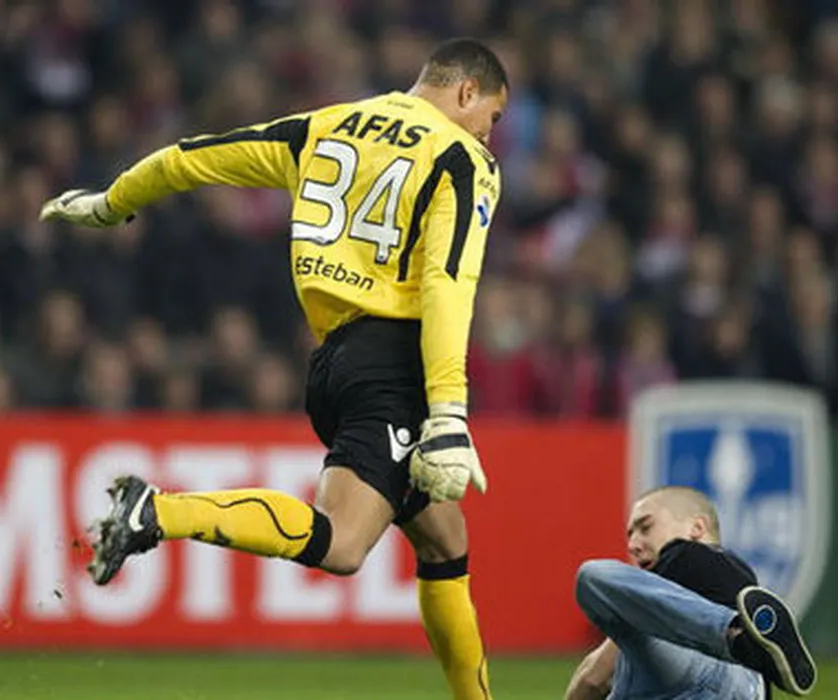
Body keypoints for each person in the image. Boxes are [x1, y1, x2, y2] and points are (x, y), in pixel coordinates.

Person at [40, 38, 508, 700]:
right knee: (342, 545)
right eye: (493, 116)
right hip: (396, 366)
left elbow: (190, 157)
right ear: (467, 92)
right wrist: (450, 411)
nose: (490, 133)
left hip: (333, 363)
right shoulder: (463, 159)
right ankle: (159, 512)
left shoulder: (325, 126)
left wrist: (112, 202)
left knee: (443, 541)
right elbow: (447, 283)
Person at [566, 486, 817, 699]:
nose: (633, 545)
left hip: (714, 676)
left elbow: (596, 676)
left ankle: (733, 635)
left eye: (646, 527)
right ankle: (737, 638)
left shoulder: (682, 555)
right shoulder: (735, 573)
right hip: (744, 690)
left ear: (697, 527)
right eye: (630, 535)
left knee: (593, 576)